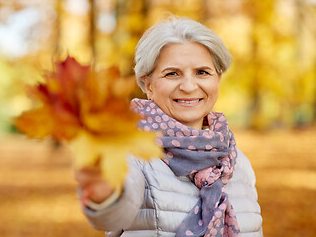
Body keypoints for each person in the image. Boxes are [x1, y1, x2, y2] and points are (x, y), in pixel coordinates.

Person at [75, 16, 263, 237]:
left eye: (202, 72)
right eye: (172, 73)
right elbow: (115, 212)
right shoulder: (132, 151)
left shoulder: (236, 160)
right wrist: (104, 196)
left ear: (217, 79)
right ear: (148, 85)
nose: (188, 86)